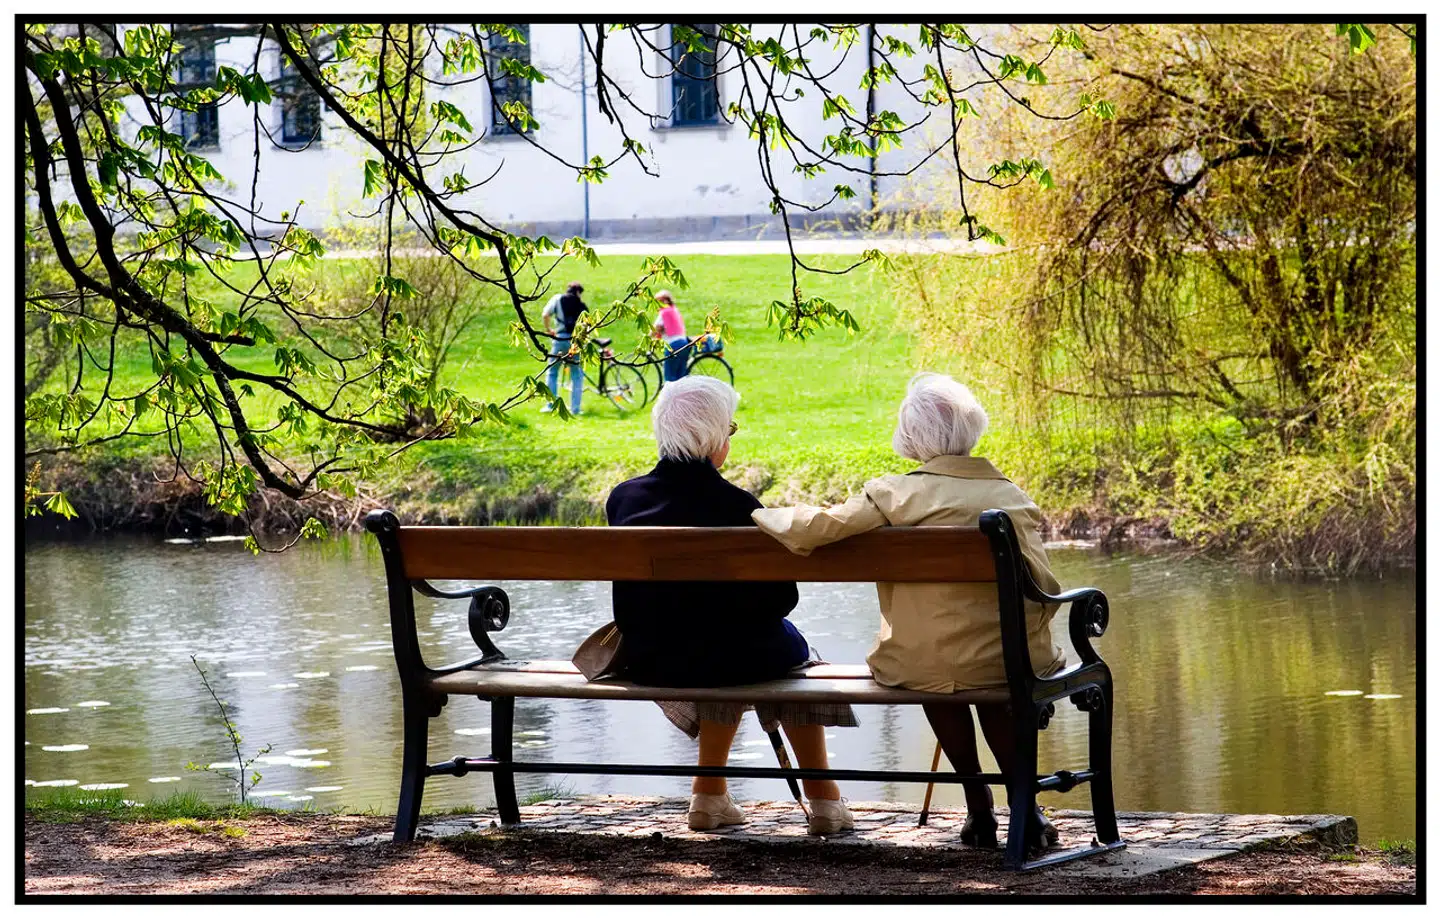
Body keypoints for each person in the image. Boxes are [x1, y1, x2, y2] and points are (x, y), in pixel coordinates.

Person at [751, 372, 1065, 853]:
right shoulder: (1011, 498)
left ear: (913, 437)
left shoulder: (896, 494)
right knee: (992, 670)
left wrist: (755, 516)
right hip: (1005, 662)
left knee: (936, 666)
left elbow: (820, 526)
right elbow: (1044, 586)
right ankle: (1026, 807)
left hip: (920, 662)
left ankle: (977, 802)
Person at [605, 376, 857, 835]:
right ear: (715, 439)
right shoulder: (739, 506)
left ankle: (710, 795)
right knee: (793, 660)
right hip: (724, 658)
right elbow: (782, 599)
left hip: (649, 657)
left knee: (730, 646)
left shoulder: (624, 498)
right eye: (731, 431)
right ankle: (823, 802)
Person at [541, 282, 588, 415]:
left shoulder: (557, 299)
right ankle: (575, 409)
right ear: (579, 292)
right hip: (575, 342)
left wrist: (548, 329)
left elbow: (545, 314)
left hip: (560, 339)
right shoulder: (582, 306)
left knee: (552, 372)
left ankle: (550, 405)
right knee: (576, 375)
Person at [652, 290, 691, 383]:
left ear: (664, 301)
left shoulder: (664, 312)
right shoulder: (674, 310)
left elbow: (656, 328)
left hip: (673, 345)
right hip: (684, 343)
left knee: (670, 377)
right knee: (681, 377)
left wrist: (647, 337)